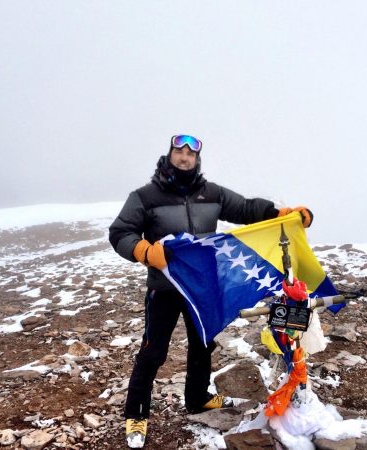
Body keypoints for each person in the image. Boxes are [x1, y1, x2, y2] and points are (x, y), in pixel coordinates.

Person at [108, 134, 312, 448]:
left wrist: (281, 215)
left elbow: (245, 209)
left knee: (203, 343)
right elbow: (120, 232)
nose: (184, 156)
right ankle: (136, 414)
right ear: (170, 155)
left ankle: (197, 398)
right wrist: (143, 251)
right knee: (153, 352)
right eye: (179, 150)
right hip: (164, 288)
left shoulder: (212, 193)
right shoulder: (145, 196)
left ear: (197, 160)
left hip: (202, 287)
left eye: (190, 153)